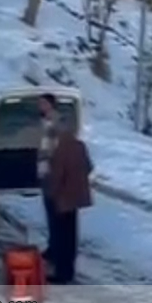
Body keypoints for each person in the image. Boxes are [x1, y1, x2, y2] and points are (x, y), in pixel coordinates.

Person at [44, 114, 93, 285]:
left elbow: (57, 176)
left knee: (61, 236)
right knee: (71, 236)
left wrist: (50, 192)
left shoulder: (61, 149)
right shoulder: (80, 146)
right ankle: (69, 270)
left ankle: (61, 273)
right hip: (75, 198)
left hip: (62, 198)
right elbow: (89, 167)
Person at [35, 94, 60, 261]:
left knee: (57, 213)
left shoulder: (57, 123)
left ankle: (58, 248)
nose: (40, 106)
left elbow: (58, 148)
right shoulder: (41, 122)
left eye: (43, 103)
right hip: (45, 172)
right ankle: (53, 246)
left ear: (51, 105)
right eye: (39, 104)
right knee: (50, 212)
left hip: (56, 172)